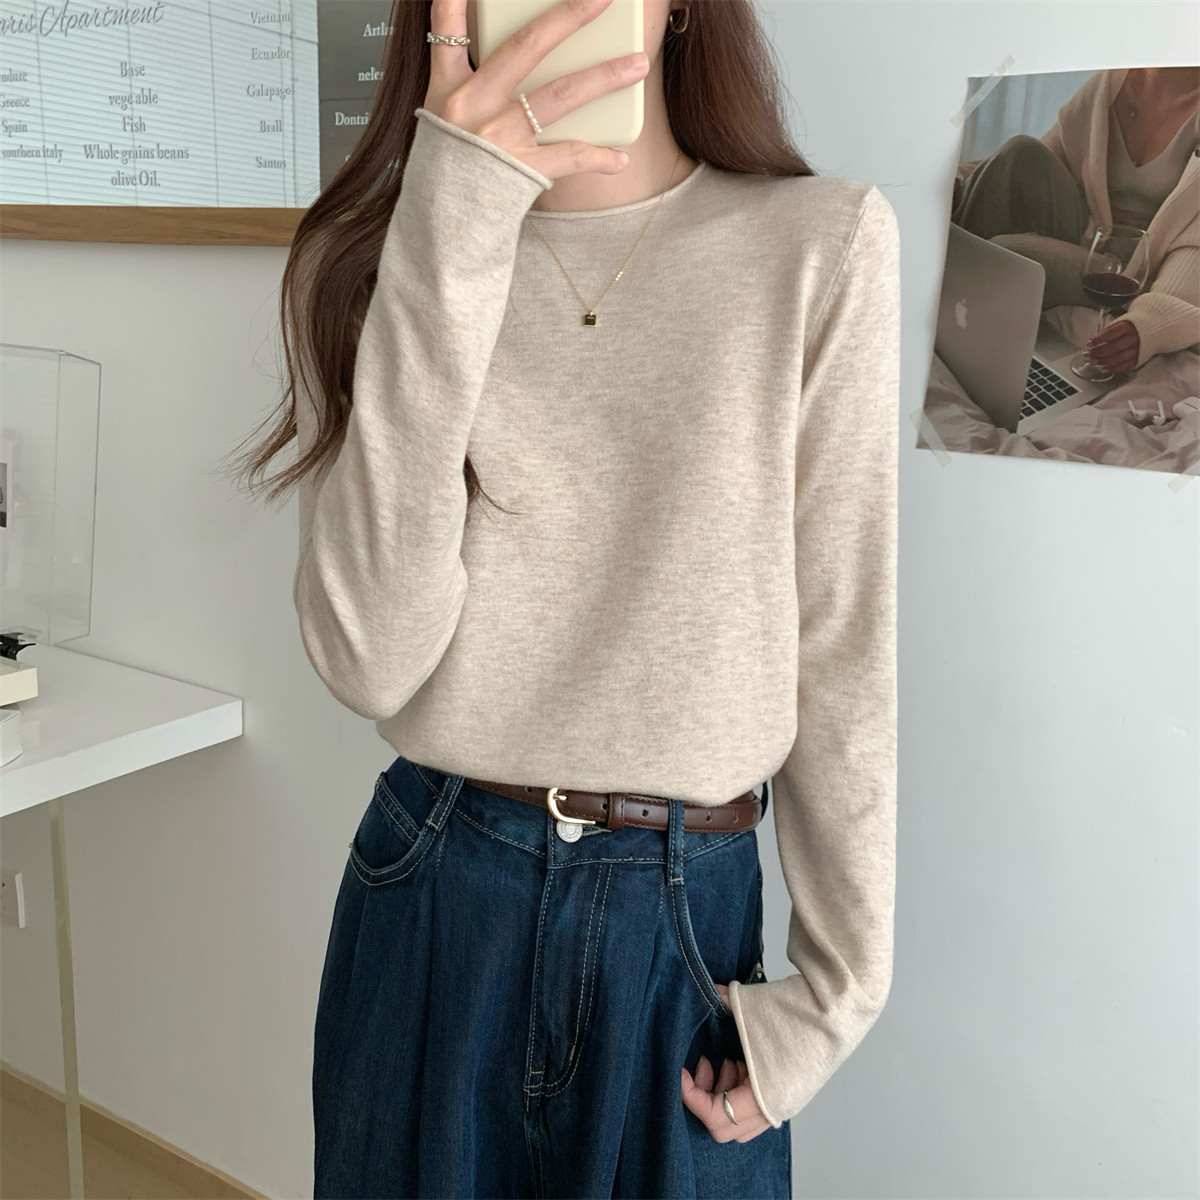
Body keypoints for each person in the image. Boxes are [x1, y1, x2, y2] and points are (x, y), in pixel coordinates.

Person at [233, 0, 900, 1194]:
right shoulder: (391, 258)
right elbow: (367, 657)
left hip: (684, 922)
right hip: (441, 887)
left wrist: (841, 995)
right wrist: (451, 218)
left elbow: (842, 639)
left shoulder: (822, 243)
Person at [951, 66, 1200, 377]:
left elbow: (1196, 244)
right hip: (1089, 234)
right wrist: (957, 184)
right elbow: (1035, 162)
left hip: (1138, 273)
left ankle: (946, 304)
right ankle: (932, 285)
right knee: (1021, 149)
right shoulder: (1111, 82)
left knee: (1006, 250)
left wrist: (1150, 320)